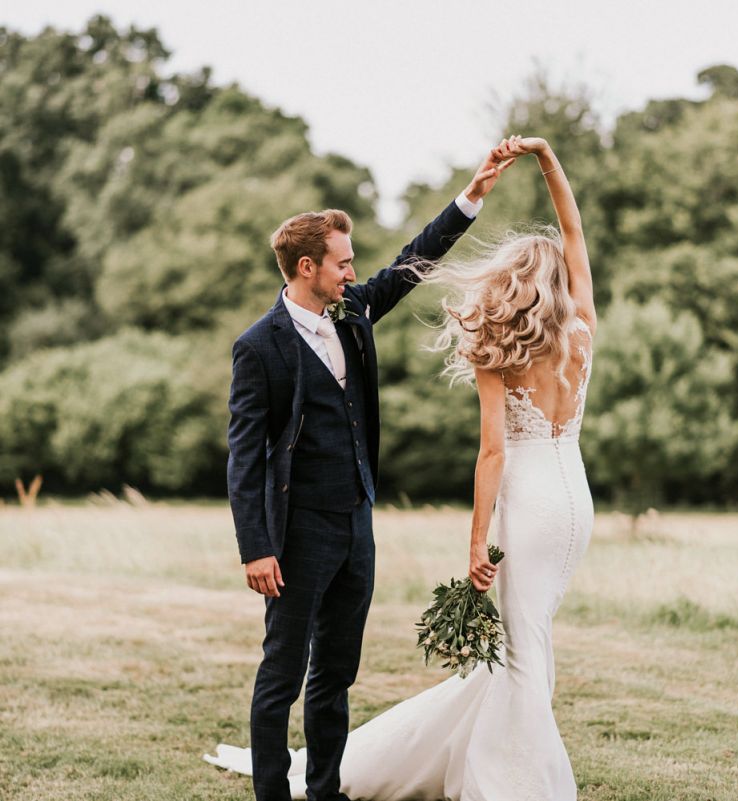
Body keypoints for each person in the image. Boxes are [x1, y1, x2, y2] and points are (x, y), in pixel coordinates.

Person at [216, 140, 517, 801]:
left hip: (356, 524)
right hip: (294, 534)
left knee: (336, 673)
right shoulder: (257, 347)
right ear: (306, 267)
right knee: (282, 674)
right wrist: (256, 546)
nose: (353, 272)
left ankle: (323, 791)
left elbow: (411, 263)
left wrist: (472, 195)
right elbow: (244, 453)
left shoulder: (351, 313)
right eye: (342, 263)